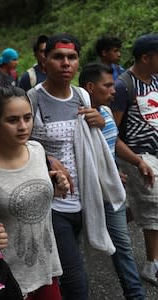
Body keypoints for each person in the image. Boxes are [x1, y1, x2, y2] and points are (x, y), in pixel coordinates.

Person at [27, 33, 120, 300]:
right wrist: (46, 158)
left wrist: (99, 122)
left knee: (65, 274)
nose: (65, 63)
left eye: (72, 57)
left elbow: (93, 138)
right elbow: (14, 143)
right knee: (77, 282)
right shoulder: (32, 99)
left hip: (84, 201)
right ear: (45, 60)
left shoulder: (82, 96)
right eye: (58, 57)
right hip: (51, 204)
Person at [0, 86, 69, 299]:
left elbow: (35, 199)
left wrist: (57, 189)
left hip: (47, 269)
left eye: (27, 117)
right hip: (9, 279)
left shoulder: (38, 150)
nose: (23, 126)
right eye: (12, 120)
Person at [79, 62, 152, 299]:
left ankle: (135, 295)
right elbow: (82, 155)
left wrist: (137, 161)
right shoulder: (79, 116)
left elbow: (114, 143)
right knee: (75, 253)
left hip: (110, 191)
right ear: (90, 87)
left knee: (122, 247)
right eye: (108, 85)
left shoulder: (106, 111)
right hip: (86, 194)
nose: (114, 90)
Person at [110, 33, 158, 285]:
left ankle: (113, 217)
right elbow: (112, 134)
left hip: (155, 154)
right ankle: (152, 265)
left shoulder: (156, 81)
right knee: (154, 205)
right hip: (137, 155)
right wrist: (135, 160)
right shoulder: (123, 86)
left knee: (136, 205)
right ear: (145, 57)